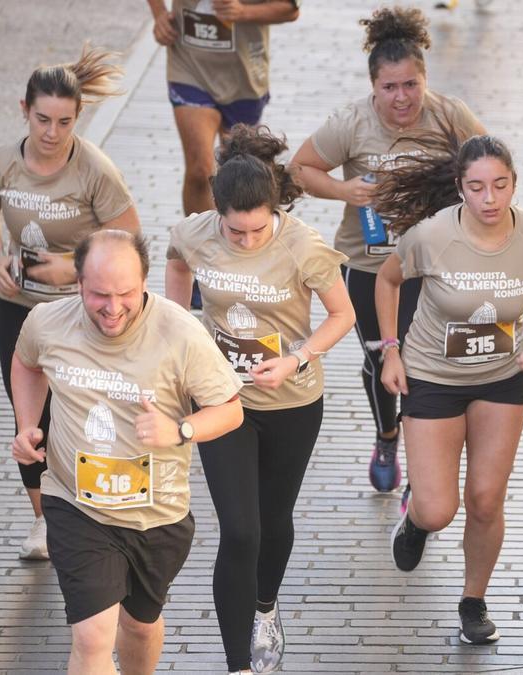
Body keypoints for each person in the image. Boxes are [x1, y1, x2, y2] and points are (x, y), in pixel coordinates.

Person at [165, 125, 355, 674]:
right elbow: (176, 263)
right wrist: (181, 327)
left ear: (274, 210)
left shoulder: (303, 246)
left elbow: (343, 315)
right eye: (235, 231)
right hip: (222, 403)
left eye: (257, 230)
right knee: (239, 530)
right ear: (217, 210)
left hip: (292, 402)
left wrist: (296, 358)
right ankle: (238, 666)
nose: (247, 241)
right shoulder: (195, 232)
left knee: (273, 521)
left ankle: (265, 607)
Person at [10, 229, 244, 675]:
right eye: (99, 295)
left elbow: (230, 410)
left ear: (143, 283)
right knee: (92, 636)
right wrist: (27, 424)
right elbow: (26, 362)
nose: (113, 308)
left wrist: (180, 429)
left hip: (157, 515)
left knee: (138, 626)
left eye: (125, 294)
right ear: (79, 282)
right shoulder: (48, 322)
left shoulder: (180, 332)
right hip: (76, 505)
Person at [374, 134, 523, 645]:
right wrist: (390, 349)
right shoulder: (431, 236)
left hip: (503, 377)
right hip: (432, 376)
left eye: (500, 185)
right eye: (477, 187)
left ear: (514, 184)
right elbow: (387, 281)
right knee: (439, 508)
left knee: (485, 499)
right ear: (460, 188)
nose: (489, 198)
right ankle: (415, 523)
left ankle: (473, 600)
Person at [290, 6, 486, 493]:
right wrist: (345, 190)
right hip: (368, 263)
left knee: (423, 361)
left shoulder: (450, 114)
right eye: (390, 87)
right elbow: (300, 170)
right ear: (373, 86)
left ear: (425, 79)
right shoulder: (351, 122)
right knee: (382, 358)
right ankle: (386, 435)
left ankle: (423, 461)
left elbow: (489, 166)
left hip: (432, 266)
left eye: (411, 85)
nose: (402, 97)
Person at [0, 45, 141, 559]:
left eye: (64, 122)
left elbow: (130, 240)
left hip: (83, 312)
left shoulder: (94, 170)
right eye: (42, 119)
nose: (51, 132)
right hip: (21, 309)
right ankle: (45, 520)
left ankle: (98, 509)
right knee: (30, 417)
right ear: (24, 110)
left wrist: (74, 267)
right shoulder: (0, 163)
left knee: (87, 412)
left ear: (78, 117)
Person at [147, 0, 300, 309]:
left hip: (244, 74)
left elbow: (290, 9)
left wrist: (244, 12)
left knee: (241, 172)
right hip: (189, 65)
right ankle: (201, 264)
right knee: (200, 169)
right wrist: (160, 15)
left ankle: (243, 258)